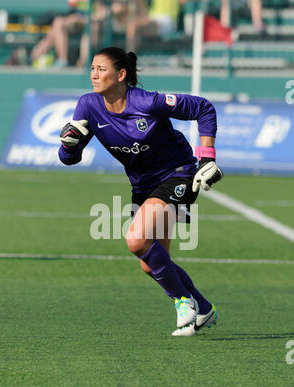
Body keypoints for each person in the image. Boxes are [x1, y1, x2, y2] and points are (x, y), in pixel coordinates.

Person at [58, 47, 223, 337]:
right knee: (152, 265)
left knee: (135, 240)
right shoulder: (88, 105)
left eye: (101, 68)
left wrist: (207, 159)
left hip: (178, 173)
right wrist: (68, 145)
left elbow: (203, 108)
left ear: (121, 75)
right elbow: (69, 158)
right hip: (142, 187)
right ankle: (204, 307)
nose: (94, 74)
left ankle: (183, 301)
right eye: (93, 68)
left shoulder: (148, 102)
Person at [30, 0, 89, 68]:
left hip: (85, 18)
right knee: (56, 27)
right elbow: (70, 6)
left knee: (58, 23)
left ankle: (62, 61)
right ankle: (35, 56)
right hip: (71, 17)